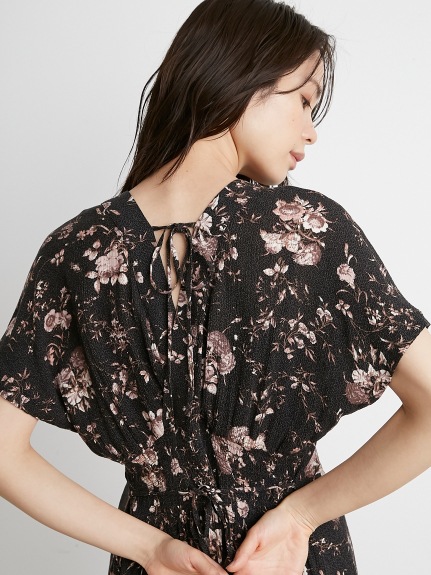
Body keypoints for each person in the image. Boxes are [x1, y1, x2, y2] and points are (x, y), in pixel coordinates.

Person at [0, 0, 430, 574]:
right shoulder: (307, 231)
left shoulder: (76, 250)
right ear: (242, 77)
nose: (311, 130)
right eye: (304, 99)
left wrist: (150, 549)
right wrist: (301, 517)